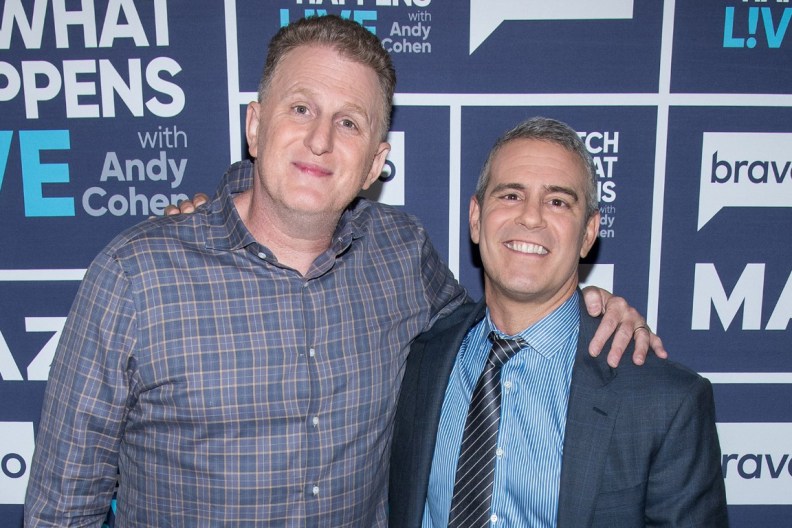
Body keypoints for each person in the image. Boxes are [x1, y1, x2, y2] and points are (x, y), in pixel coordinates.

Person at [24, 16, 662, 527]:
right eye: (300, 108)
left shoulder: (400, 254)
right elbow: (61, 513)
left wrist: (586, 302)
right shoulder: (136, 278)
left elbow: (496, 325)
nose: (321, 140)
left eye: (349, 122)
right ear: (255, 124)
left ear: (376, 161)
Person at [389, 117, 728, 527]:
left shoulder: (666, 402)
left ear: (588, 232)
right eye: (511, 195)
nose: (530, 218)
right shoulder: (421, 356)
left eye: (557, 202)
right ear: (476, 218)